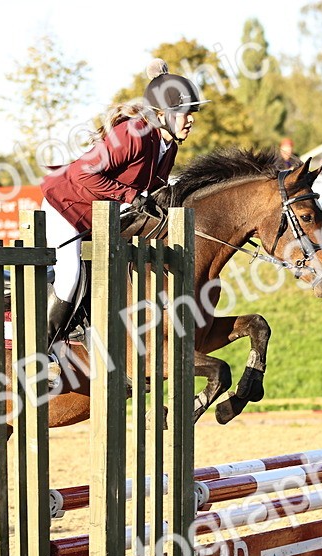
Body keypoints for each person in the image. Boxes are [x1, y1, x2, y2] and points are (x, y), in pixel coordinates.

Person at [39, 58, 205, 346]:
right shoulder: (133, 135)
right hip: (65, 208)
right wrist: (131, 196)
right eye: (184, 113)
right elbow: (82, 172)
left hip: (97, 219)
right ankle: (43, 348)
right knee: (70, 275)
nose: (190, 119)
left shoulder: (167, 148)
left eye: (192, 113)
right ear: (163, 113)